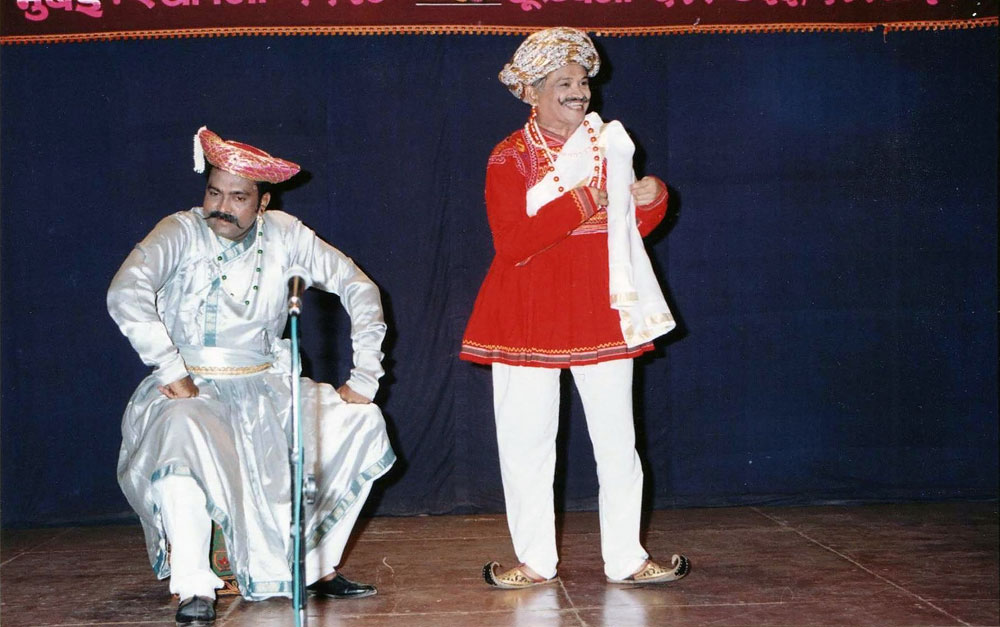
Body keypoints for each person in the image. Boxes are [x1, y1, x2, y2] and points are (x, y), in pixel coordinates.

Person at [108, 127, 395, 625]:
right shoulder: (180, 231)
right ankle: (194, 585)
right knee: (180, 432)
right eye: (214, 192)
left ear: (263, 203)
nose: (222, 207)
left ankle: (312, 567)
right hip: (193, 387)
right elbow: (125, 291)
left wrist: (366, 376)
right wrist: (169, 366)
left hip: (267, 388)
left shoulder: (285, 234)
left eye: (238, 197)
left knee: (361, 422)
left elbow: (359, 287)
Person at [460, 27, 690, 588]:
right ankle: (535, 561)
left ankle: (628, 559)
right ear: (532, 92)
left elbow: (627, 231)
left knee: (618, 442)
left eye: (583, 81)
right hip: (525, 314)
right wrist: (581, 200)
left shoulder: (609, 144)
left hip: (598, 309)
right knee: (526, 443)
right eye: (564, 82)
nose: (579, 92)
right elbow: (512, 243)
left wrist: (653, 199)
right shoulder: (509, 156)